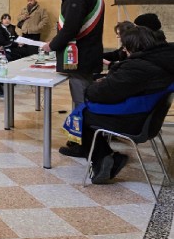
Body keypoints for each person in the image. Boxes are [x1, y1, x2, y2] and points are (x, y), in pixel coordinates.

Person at [61, 26, 174, 184]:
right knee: (87, 112)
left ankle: (102, 160)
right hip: (149, 116)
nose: (124, 51)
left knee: (83, 115)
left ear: (133, 46)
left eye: (125, 47)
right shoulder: (163, 60)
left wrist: (93, 86)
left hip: (136, 122)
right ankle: (103, 155)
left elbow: (103, 93)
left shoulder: (139, 67)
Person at [40, 0, 104, 105]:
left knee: (81, 99)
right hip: (89, 52)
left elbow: (70, 27)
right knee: (86, 95)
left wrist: (52, 45)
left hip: (80, 56)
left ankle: (81, 119)